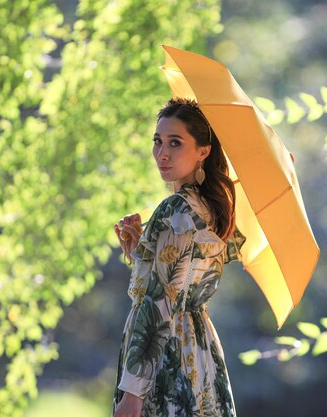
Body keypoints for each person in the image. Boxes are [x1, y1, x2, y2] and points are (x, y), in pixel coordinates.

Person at [112, 98, 245, 417]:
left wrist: (132, 394)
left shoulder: (173, 211)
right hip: (200, 350)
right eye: (157, 141)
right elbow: (186, 281)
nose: (163, 153)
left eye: (176, 142)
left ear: (204, 150)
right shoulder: (214, 210)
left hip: (164, 356)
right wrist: (142, 252)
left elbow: (158, 303)